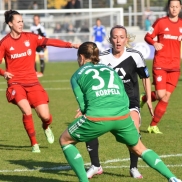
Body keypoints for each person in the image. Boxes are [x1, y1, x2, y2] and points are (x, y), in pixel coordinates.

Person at [59, 41, 181, 182]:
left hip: (97, 117)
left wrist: (90, 113)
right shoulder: (110, 69)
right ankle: (172, 178)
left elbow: (83, 105)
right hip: (123, 115)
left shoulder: (76, 75)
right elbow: (123, 95)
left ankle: (84, 179)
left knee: (65, 140)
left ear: (81, 57)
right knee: (140, 148)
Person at [0, 10, 79, 153]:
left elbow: (50, 41)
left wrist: (70, 45)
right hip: (15, 83)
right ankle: (34, 144)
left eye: (22, 21)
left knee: (45, 116)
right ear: (10, 24)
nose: (21, 24)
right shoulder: (4, 43)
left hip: (33, 82)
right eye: (18, 21)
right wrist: (3, 72)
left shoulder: (31, 37)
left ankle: (46, 127)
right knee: (26, 110)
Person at [85, 25, 153, 179]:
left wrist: (148, 98)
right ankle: (96, 165)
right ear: (110, 39)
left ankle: (133, 168)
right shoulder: (101, 58)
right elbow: (91, 80)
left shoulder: (135, 55)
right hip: (107, 100)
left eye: (121, 37)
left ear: (126, 39)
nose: (118, 41)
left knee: (134, 129)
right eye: (115, 37)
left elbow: (145, 77)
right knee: (89, 127)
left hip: (130, 101)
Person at [141, 0, 182, 134]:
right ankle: (144, 98)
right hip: (161, 64)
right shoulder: (161, 22)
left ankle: (153, 125)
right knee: (160, 94)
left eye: (176, 6)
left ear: (180, 8)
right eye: (172, 6)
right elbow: (147, 36)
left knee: (166, 97)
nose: (174, 9)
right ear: (168, 8)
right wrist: (154, 43)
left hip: (175, 66)